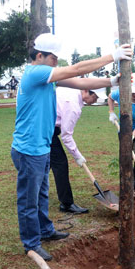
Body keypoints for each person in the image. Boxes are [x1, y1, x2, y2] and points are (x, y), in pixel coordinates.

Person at [11, 33, 132, 261]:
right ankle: (31, 244)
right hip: (28, 149)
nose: (57, 62)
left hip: (41, 147)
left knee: (42, 194)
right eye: (54, 58)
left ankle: (45, 230)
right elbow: (76, 70)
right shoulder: (35, 72)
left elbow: (80, 82)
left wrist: (110, 82)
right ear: (40, 55)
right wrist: (112, 56)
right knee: (29, 199)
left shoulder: (47, 77)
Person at [50, 86, 108, 214]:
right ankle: (66, 204)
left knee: (47, 162)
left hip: (44, 125)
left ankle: (32, 192)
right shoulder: (73, 105)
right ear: (86, 90)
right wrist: (77, 156)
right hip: (46, 130)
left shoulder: (72, 92)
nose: (95, 100)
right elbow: (66, 136)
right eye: (95, 97)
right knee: (60, 164)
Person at [108, 73, 135, 185]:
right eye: (133, 90)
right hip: (123, 130)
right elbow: (110, 97)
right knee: (126, 155)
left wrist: (132, 135)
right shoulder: (121, 94)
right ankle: (126, 178)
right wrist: (111, 112)